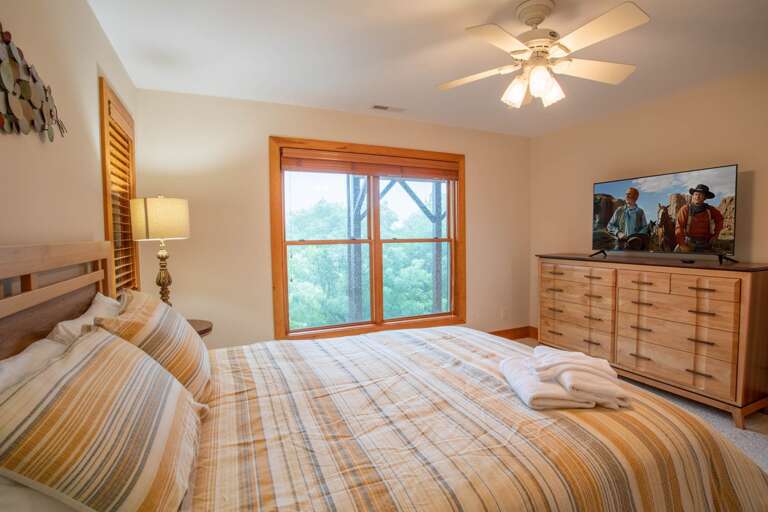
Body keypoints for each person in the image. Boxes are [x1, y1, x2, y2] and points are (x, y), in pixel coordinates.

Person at [675, 184, 724, 252]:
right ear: (693, 196)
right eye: (696, 194)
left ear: (705, 197)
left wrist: (716, 235)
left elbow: (720, 220)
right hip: (689, 243)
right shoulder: (685, 209)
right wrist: (682, 244)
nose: (697, 197)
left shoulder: (710, 209)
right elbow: (679, 227)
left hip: (706, 244)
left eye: (700, 195)